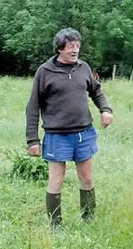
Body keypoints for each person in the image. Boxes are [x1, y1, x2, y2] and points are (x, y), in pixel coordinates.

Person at [26, 28, 113, 226]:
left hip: (84, 133)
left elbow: (96, 91)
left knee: (87, 179)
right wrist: (32, 139)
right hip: (57, 135)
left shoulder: (83, 68)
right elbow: (33, 106)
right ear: (59, 48)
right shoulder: (45, 72)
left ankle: (88, 220)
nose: (75, 50)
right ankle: (56, 225)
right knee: (56, 180)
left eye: (77, 46)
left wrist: (105, 110)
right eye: (70, 46)